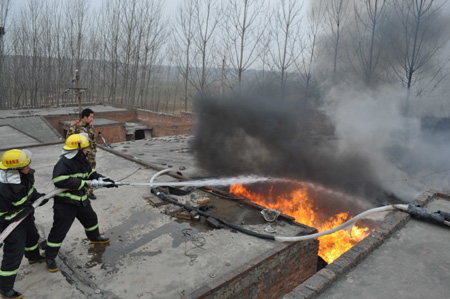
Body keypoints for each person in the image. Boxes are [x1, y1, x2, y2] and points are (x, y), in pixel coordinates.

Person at [45, 133, 117, 273]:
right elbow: (59, 180)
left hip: (81, 200)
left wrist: (104, 180)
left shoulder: (83, 159)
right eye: (85, 148)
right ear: (77, 150)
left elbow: (90, 174)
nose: (87, 150)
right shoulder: (64, 162)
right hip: (66, 203)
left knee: (91, 219)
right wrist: (83, 183)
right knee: (59, 231)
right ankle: (50, 257)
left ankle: (94, 237)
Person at [0, 149, 48, 299]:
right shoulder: (4, 189)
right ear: (16, 169)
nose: (29, 166)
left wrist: (38, 197)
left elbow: (29, 191)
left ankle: (33, 256)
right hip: (12, 224)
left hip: (26, 215)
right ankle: (4, 288)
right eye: (26, 164)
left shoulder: (25, 175)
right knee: (14, 253)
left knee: (32, 237)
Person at [67, 108, 97, 199]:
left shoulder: (91, 127)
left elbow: (93, 140)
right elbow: (69, 142)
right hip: (79, 156)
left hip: (91, 156)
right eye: (91, 117)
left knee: (90, 172)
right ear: (85, 117)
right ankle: (80, 190)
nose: (92, 119)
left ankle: (90, 191)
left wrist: (94, 151)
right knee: (79, 173)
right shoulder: (74, 127)